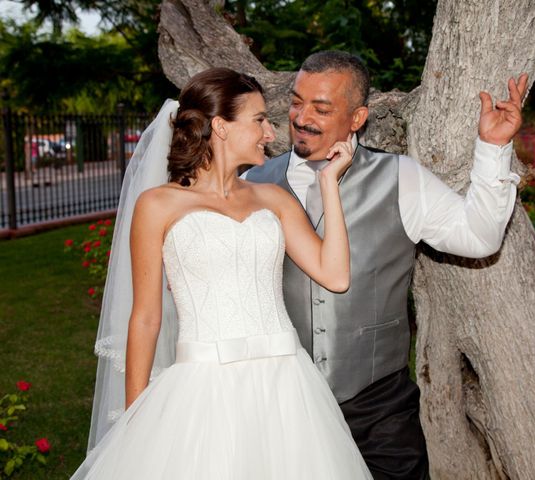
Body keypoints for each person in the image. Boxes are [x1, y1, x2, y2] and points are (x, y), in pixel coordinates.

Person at [71, 67, 373, 479]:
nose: (271, 132)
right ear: (221, 126)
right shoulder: (158, 205)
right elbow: (145, 318)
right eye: (260, 119)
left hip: (285, 384)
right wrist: (135, 416)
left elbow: (335, 276)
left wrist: (329, 187)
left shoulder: (274, 198)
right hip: (203, 389)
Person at [245, 50, 527, 479]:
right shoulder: (252, 182)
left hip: (378, 407)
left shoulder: (403, 178)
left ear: (357, 118)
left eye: (321, 108)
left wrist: (493, 148)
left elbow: (479, 237)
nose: (301, 118)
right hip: (280, 398)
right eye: (297, 102)